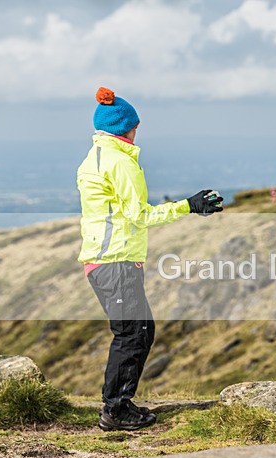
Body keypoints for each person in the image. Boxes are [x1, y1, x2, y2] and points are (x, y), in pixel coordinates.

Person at [77, 87, 224, 431]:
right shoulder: (120, 162)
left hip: (107, 260)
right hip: (115, 262)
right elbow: (139, 215)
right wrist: (189, 205)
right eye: (135, 126)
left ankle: (118, 404)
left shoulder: (96, 157)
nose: (137, 131)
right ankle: (115, 409)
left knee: (139, 330)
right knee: (132, 333)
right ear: (124, 128)